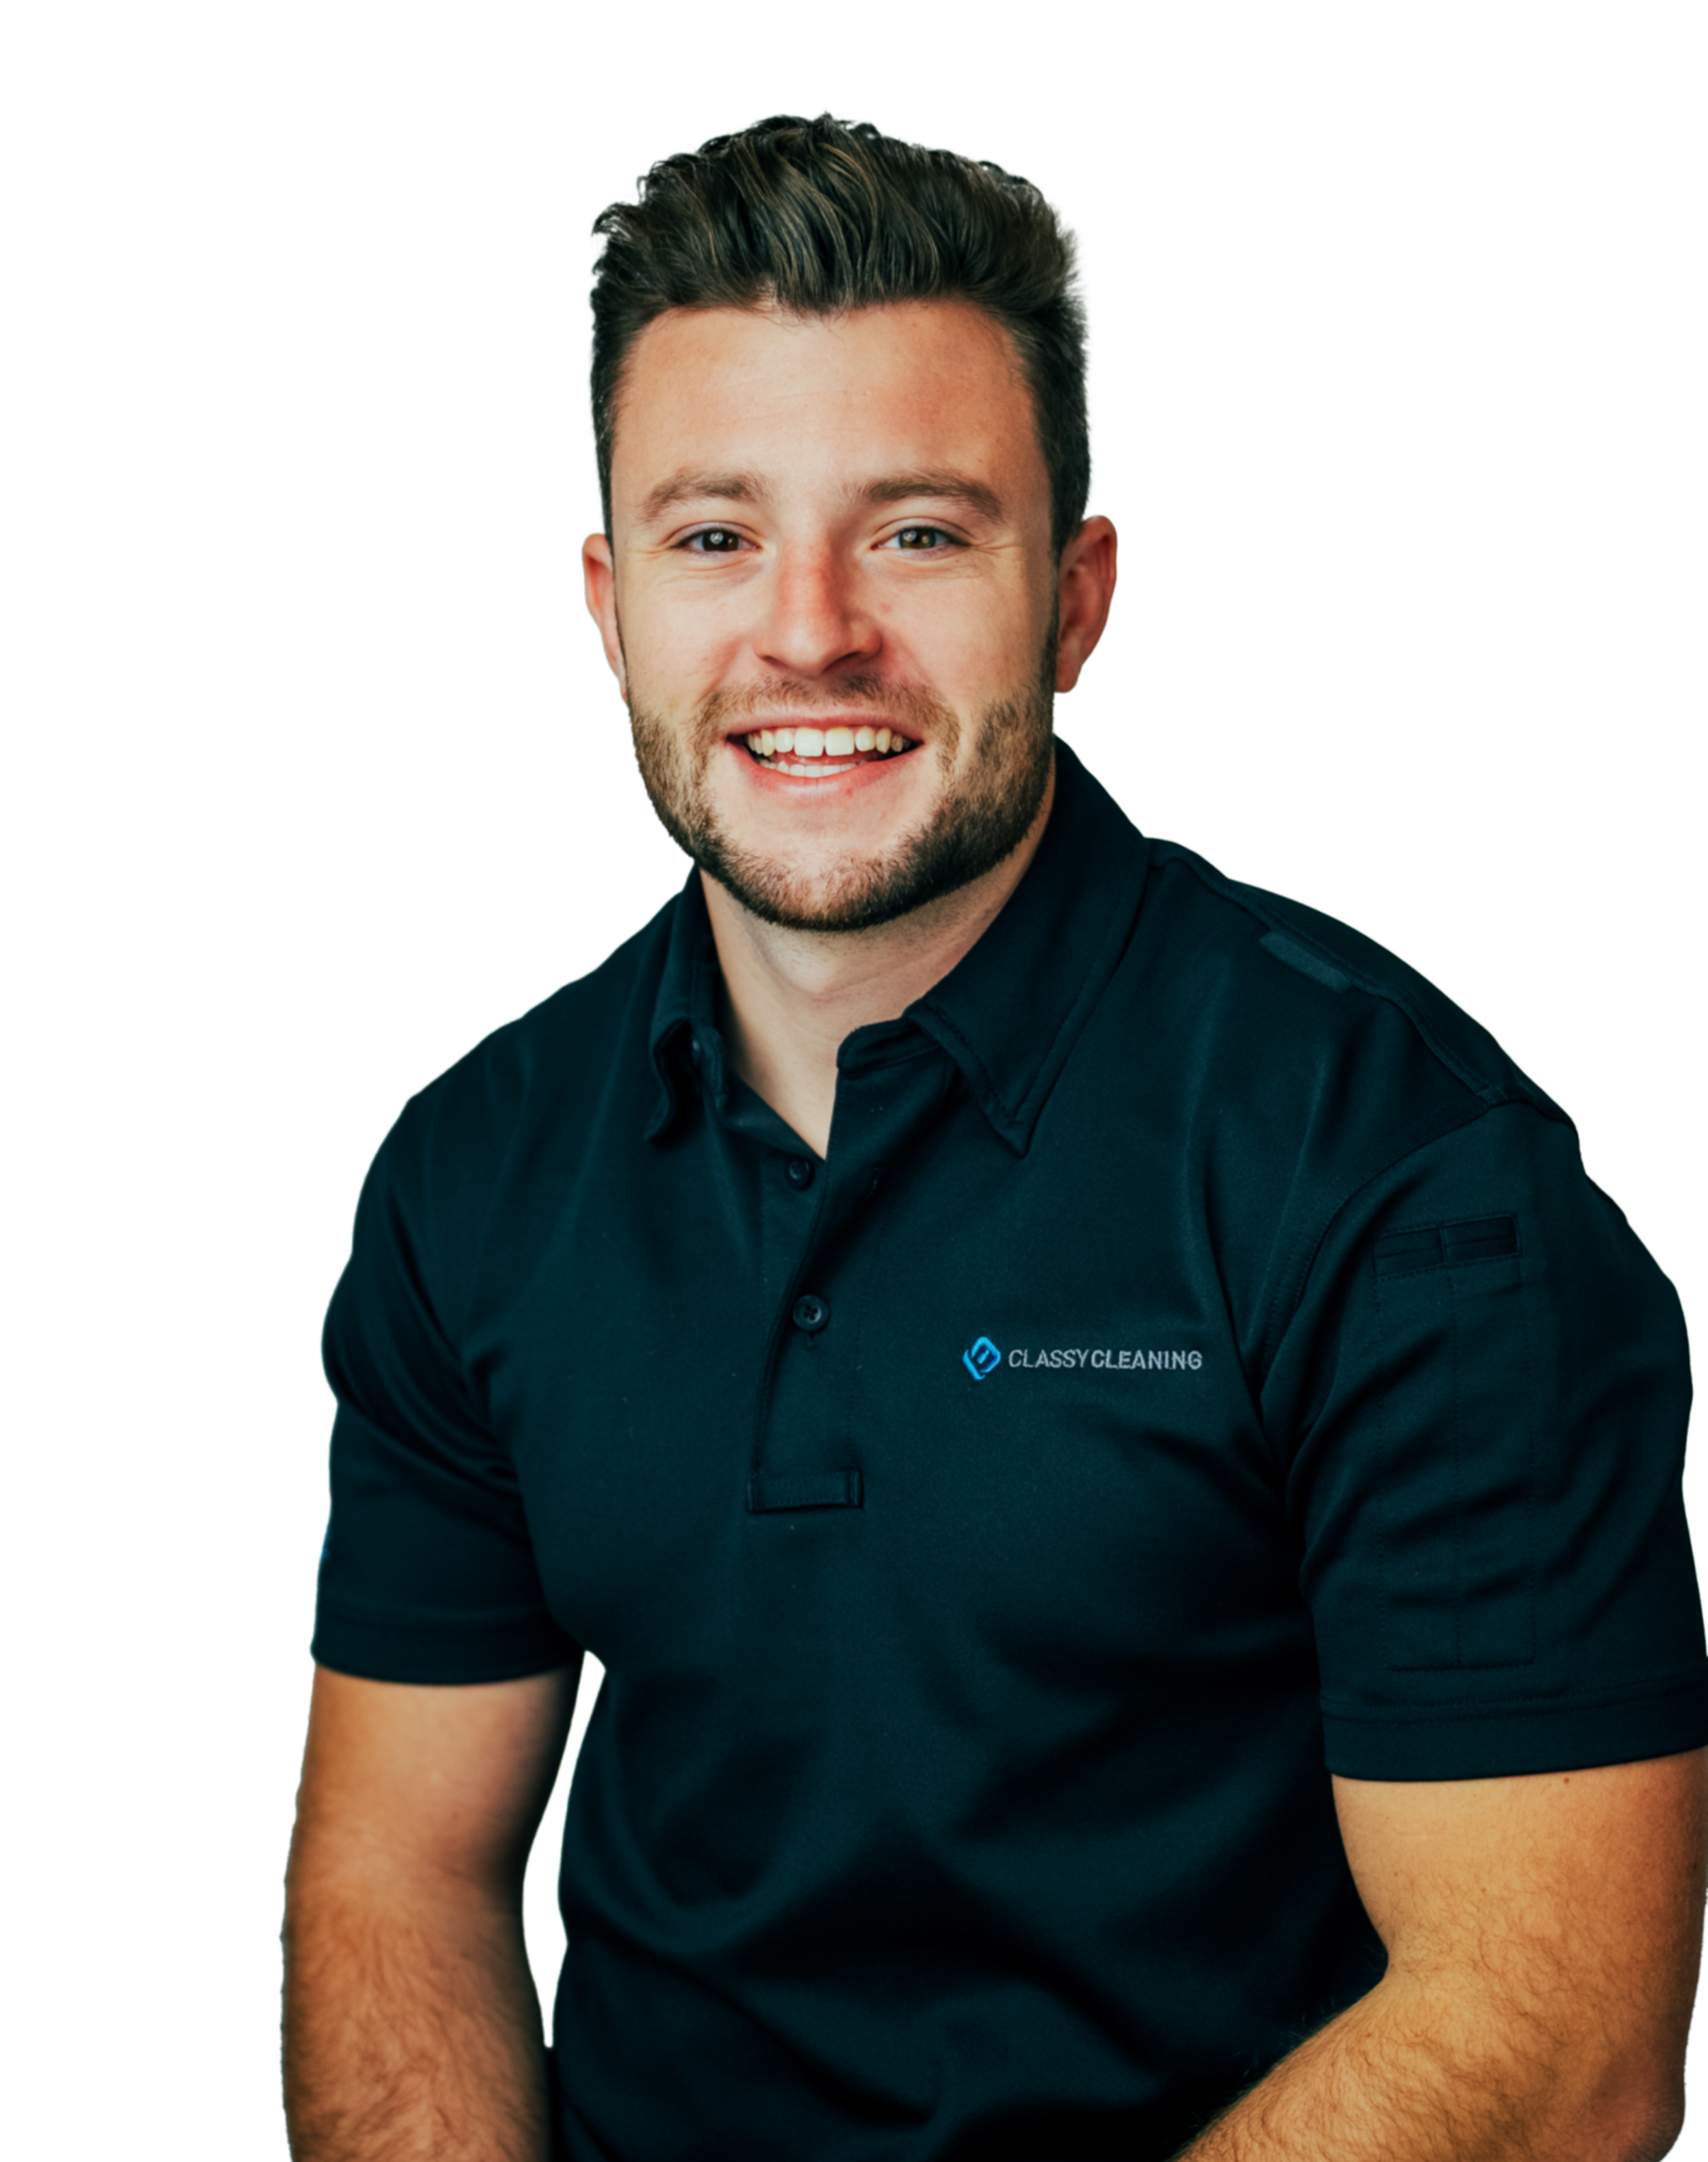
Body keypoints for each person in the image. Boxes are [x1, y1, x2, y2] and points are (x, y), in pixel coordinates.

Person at [281, 110, 1708, 2161]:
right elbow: (401, 1875)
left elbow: (1555, 2050)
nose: (809, 632)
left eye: (920, 530)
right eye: (713, 536)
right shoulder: (470, 1175)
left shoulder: (1399, 1167)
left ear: (1077, 595)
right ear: (605, 600)